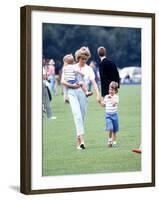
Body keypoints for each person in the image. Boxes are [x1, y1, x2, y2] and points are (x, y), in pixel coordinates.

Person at [61, 47, 101, 150]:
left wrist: (98, 95)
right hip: (72, 92)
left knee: (81, 118)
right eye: (82, 58)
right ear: (78, 57)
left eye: (86, 59)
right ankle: (82, 141)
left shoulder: (89, 69)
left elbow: (94, 82)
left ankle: (78, 142)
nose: (84, 61)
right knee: (77, 116)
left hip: (83, 94)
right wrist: (70, 90)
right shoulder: (71, 66)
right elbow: (63, 81)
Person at [98, 81, 119, 147]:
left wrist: (111, 97)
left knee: (115, 129)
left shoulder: (116, 97)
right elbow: (103, 105)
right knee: (110, 128)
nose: (110, 91)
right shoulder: (106, 96)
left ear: (115, 91)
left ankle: (114, 140)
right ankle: (110, 140)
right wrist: (99, 101)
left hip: (115, 115)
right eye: (110, 89)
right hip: (108, 116)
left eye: (112, 90)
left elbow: (113, 103)